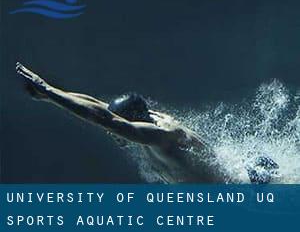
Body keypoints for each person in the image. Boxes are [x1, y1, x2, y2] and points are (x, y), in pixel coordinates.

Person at [15, 62, 277, 183]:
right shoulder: (146, 121)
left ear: (132, 122)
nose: (111, 133)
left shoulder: (161, 136)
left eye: (115, 128)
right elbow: (99, 108)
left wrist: (48, 91)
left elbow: (105, 119)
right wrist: (51, 95)